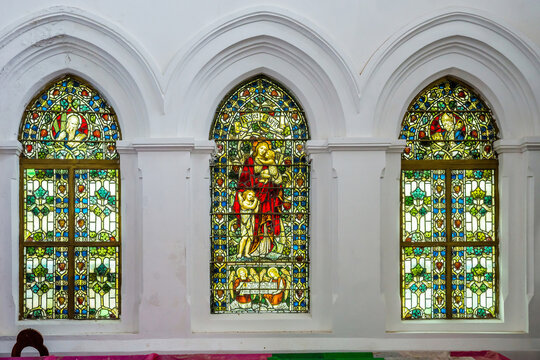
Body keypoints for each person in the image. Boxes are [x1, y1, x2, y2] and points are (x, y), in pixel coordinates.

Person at [233, 141, 283, 258]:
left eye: (266, 149)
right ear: (256, 149)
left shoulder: (270, 163)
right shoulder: (250, 162)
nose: (263, 151)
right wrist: (257, 182)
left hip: (267, 199)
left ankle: (264, 249)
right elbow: (244, 180)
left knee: (265, 222)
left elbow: (277, 181)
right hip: (253, 197)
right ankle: (249, 251)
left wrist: (269, 181)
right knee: (252, 226)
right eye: (261, 148)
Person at [237, 190, 260, 258]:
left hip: (251, 222)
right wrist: (256, 201)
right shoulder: (244, 203)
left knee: (250, 238)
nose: (251, 197)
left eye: (252, 196)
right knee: (244, 238)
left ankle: (246, 253)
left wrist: (257, 205)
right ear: (245, 195)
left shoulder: (252, 203)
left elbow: (255, 211)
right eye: (249, 195)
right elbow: (252, 207)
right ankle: (240, 253)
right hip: (245, 223)